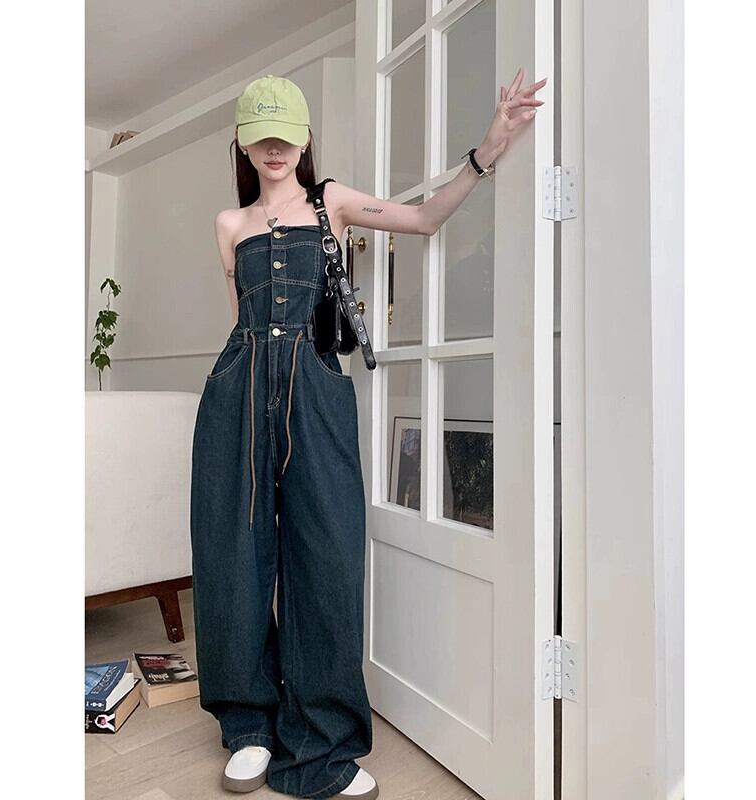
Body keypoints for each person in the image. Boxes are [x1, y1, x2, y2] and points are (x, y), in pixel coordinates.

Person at [190, 70, 545, 799]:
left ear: (305, 139)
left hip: (316, 392)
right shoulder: (228, 225)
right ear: (243, 145)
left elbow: (424, 218)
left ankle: (319, 742)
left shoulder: (333, 202)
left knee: (327, 556)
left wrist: (488, 148)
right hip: (239, 391)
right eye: (261, 139)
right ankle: (249, 726)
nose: (274, 150)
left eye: (286, 136)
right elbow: (238, 322)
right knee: (233, 555)